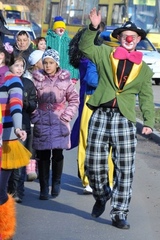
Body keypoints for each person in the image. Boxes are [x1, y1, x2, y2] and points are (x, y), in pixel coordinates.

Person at [78, 8, 155, 229]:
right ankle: (102, 194)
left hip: (125, 119)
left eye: (133, 36)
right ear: (119, 38)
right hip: (101, 114)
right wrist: (93, 27)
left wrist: (149, 121)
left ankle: (119, 212)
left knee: (125, 167)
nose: (129, 39)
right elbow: (85, 47)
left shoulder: (144, 70)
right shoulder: (104, 54)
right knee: (92, 162)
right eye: (125, 36)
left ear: (138, 39)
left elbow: (147, 97)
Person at [69, 25, 113, 194]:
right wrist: (110, 81)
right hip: (91, 99)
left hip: (110, 102)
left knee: (108, 143)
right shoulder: (93, 58)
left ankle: (108, 178)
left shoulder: (118, 59)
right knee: (86, 139)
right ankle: (88, 178)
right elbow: (91, 79)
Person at [31, 49, 79, 200]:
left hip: (60, 121)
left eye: (51, 63)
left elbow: (74, 100)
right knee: (43, 155)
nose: (47, 66)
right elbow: (30, 100)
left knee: (58, 154)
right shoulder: (36, 79)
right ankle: (43, 187)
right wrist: (35, 116)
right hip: (42, 121)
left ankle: (56, 182)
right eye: (45, 63)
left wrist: (67, 116)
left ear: (57, 64)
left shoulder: (65, 80)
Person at [0, 43, 31, 240]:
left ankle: (5, 231)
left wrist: (19, 127)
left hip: (7, 142)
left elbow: (17, 104)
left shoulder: (12, 80)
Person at [7, 55, 37, 203]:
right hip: (7, 123)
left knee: (19, 160)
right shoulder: (5, 80)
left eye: (21, 66)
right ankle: (7, 189)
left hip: (23, 124)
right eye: (16, 65)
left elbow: (33, 105)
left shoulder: (28, 83)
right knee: (7, 159)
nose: (19, 68)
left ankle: (18, 190)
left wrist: (25, 102)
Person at [45, 16, 79, 83]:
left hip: (65, 74)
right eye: (59, 27)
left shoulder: (69, 41)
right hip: (51, 74)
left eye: (63, 27)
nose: (61, 29)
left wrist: (74, 76)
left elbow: (74, 58)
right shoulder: (47, 39)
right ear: (54, 29)